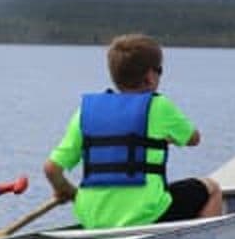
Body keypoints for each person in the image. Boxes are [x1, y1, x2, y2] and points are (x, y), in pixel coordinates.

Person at [43, 33, 222, 229]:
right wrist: (165, 137)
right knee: (211, 189)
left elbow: (51, 169)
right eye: (159, 70)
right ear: (149, 77)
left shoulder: (85, 113)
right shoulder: (159, 106)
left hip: (93, 219)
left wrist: (66, 190)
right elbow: (194, 138)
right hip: (145, 214)